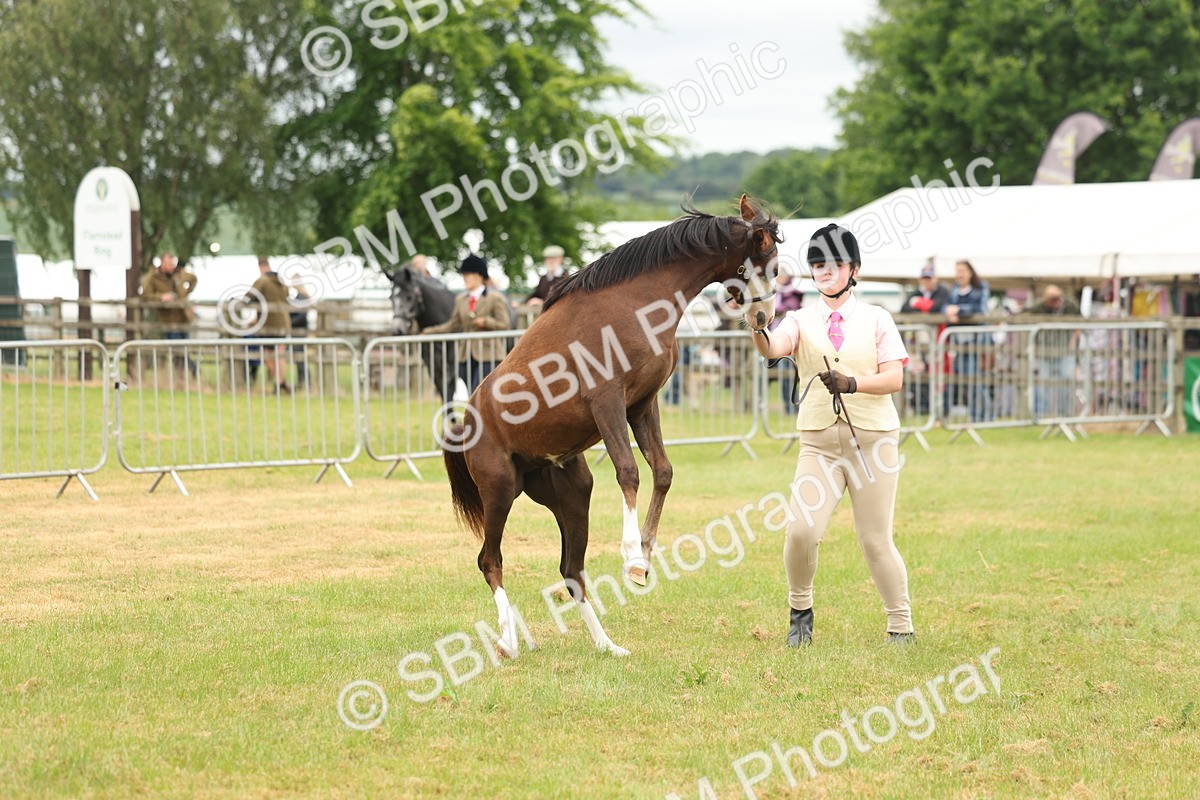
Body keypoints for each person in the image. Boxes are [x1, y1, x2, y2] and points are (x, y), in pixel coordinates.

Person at [750, 224, 914, 646]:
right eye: (818, 264)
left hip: (874, 442)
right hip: (819, 442)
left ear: (853, 268)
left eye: (834, 264)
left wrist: (853, 384)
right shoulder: (800, 319)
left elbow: (894, 376)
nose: (825, 271)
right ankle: (800, 612)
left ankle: (900, 625)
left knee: (876, 540)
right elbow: (774, 347)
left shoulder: (878, 317)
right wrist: (756, 325)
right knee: (802, 529)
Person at [422, 254, 511, 395]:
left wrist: (486, 322)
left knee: (478, 393)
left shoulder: (495, 298)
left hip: (488, 354)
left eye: (469, 274)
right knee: (472, 394)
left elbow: (504, 324)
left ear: (480, 276)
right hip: (466, 355)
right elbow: (453, 325)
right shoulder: (461, 299)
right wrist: (429, 331)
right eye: (464, 274)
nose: (465, 277)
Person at [944, 260, 992, 422]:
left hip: (976, 340)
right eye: (957, 271)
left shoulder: (981, 288)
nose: (960, 274)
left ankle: (984, 415)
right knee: (966, 380)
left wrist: (959, 311)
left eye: (962, 270)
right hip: (960, 341)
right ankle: (977, 415)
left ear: (970, 272)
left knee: (973, 380)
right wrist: (951, 311)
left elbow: (980, 309)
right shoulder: (955, 289)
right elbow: (946, 307)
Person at [139, 251, 197, 377]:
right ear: (162, 263)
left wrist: (186, 292)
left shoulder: (179, 274)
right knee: (178, 349)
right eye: (169, 264)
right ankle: (194, 370)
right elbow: (145, 296)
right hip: (168, 319)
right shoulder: (154, 277)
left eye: (173, 264)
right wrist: (162, 297)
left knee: (184, 348)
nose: (172, 267)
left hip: (183, 317)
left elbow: (193, 279)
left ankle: (181, 377)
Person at [1027, 285, 1081, 418]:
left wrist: (1072, 343)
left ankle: (1065, 414)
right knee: (1042, 381)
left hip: (1065, 350)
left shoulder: (1071, 306)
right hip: (1044, 351)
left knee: (1066, 381)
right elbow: (1025, 318)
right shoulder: (1039, 307)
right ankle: (1040, 414)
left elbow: (1079, 325)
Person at [902, 263, 949, 415]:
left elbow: (937, 308)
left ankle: (942, 409)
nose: (927, 282)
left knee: (940, 374)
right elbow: (905, 309)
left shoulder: (942, 291)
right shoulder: (916, 291)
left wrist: (918, 303)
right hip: (921, 343)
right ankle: (924, 407)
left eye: (929, 278)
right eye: (925, 278)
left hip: (940, 341)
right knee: (920, 372)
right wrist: (925, 307)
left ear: (935, 279)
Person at [247, 256, 292, 393]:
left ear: (260, 266)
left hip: (268, 325)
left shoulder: (262, 280)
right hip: (284, 323)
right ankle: (280, 383)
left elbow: (249, 296)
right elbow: (287, 297)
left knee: (267, 354)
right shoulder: (281, 282)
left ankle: (280, 383)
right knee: (279, 354)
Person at [769, 270, 804, 412]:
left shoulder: (793, 294)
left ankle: (791, 407)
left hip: (788, 341)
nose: (779, 278)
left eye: (782, 275)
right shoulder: (772, 292)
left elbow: (788, 310)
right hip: (773, 339)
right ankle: (787, 406)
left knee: (788, 376)